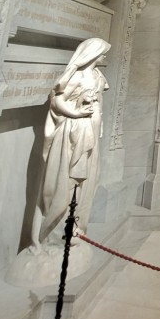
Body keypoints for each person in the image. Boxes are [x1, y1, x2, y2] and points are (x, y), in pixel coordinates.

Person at [33, 37, 110, 250]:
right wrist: (75, 113)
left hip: (90, 131)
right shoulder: (76, 76)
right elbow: (57, 99)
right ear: (93, 54)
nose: (105, 56)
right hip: (75, 131)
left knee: (88, 179)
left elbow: (99, 103)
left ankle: (76, 223)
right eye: (102, 52)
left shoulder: (98, 75)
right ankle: (59, 228)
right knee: (69, 178)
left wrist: (99, 123)